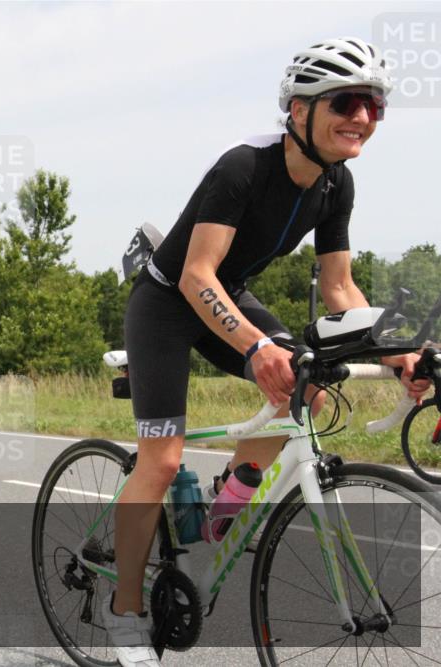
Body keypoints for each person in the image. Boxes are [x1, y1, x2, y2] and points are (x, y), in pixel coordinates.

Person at [106, 37, 431, 666]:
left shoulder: (336, 183)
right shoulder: (243, 167)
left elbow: (340, 288)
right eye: (347, 102)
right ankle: (124, 612)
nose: (363, 117)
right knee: (162, 461)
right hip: (168, 303)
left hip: (227, 297)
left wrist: (400, 354)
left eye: (375, 106)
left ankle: (221, 509)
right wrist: (257, 348)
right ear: (299, 109)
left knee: (305, 390)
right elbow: (197, 274)